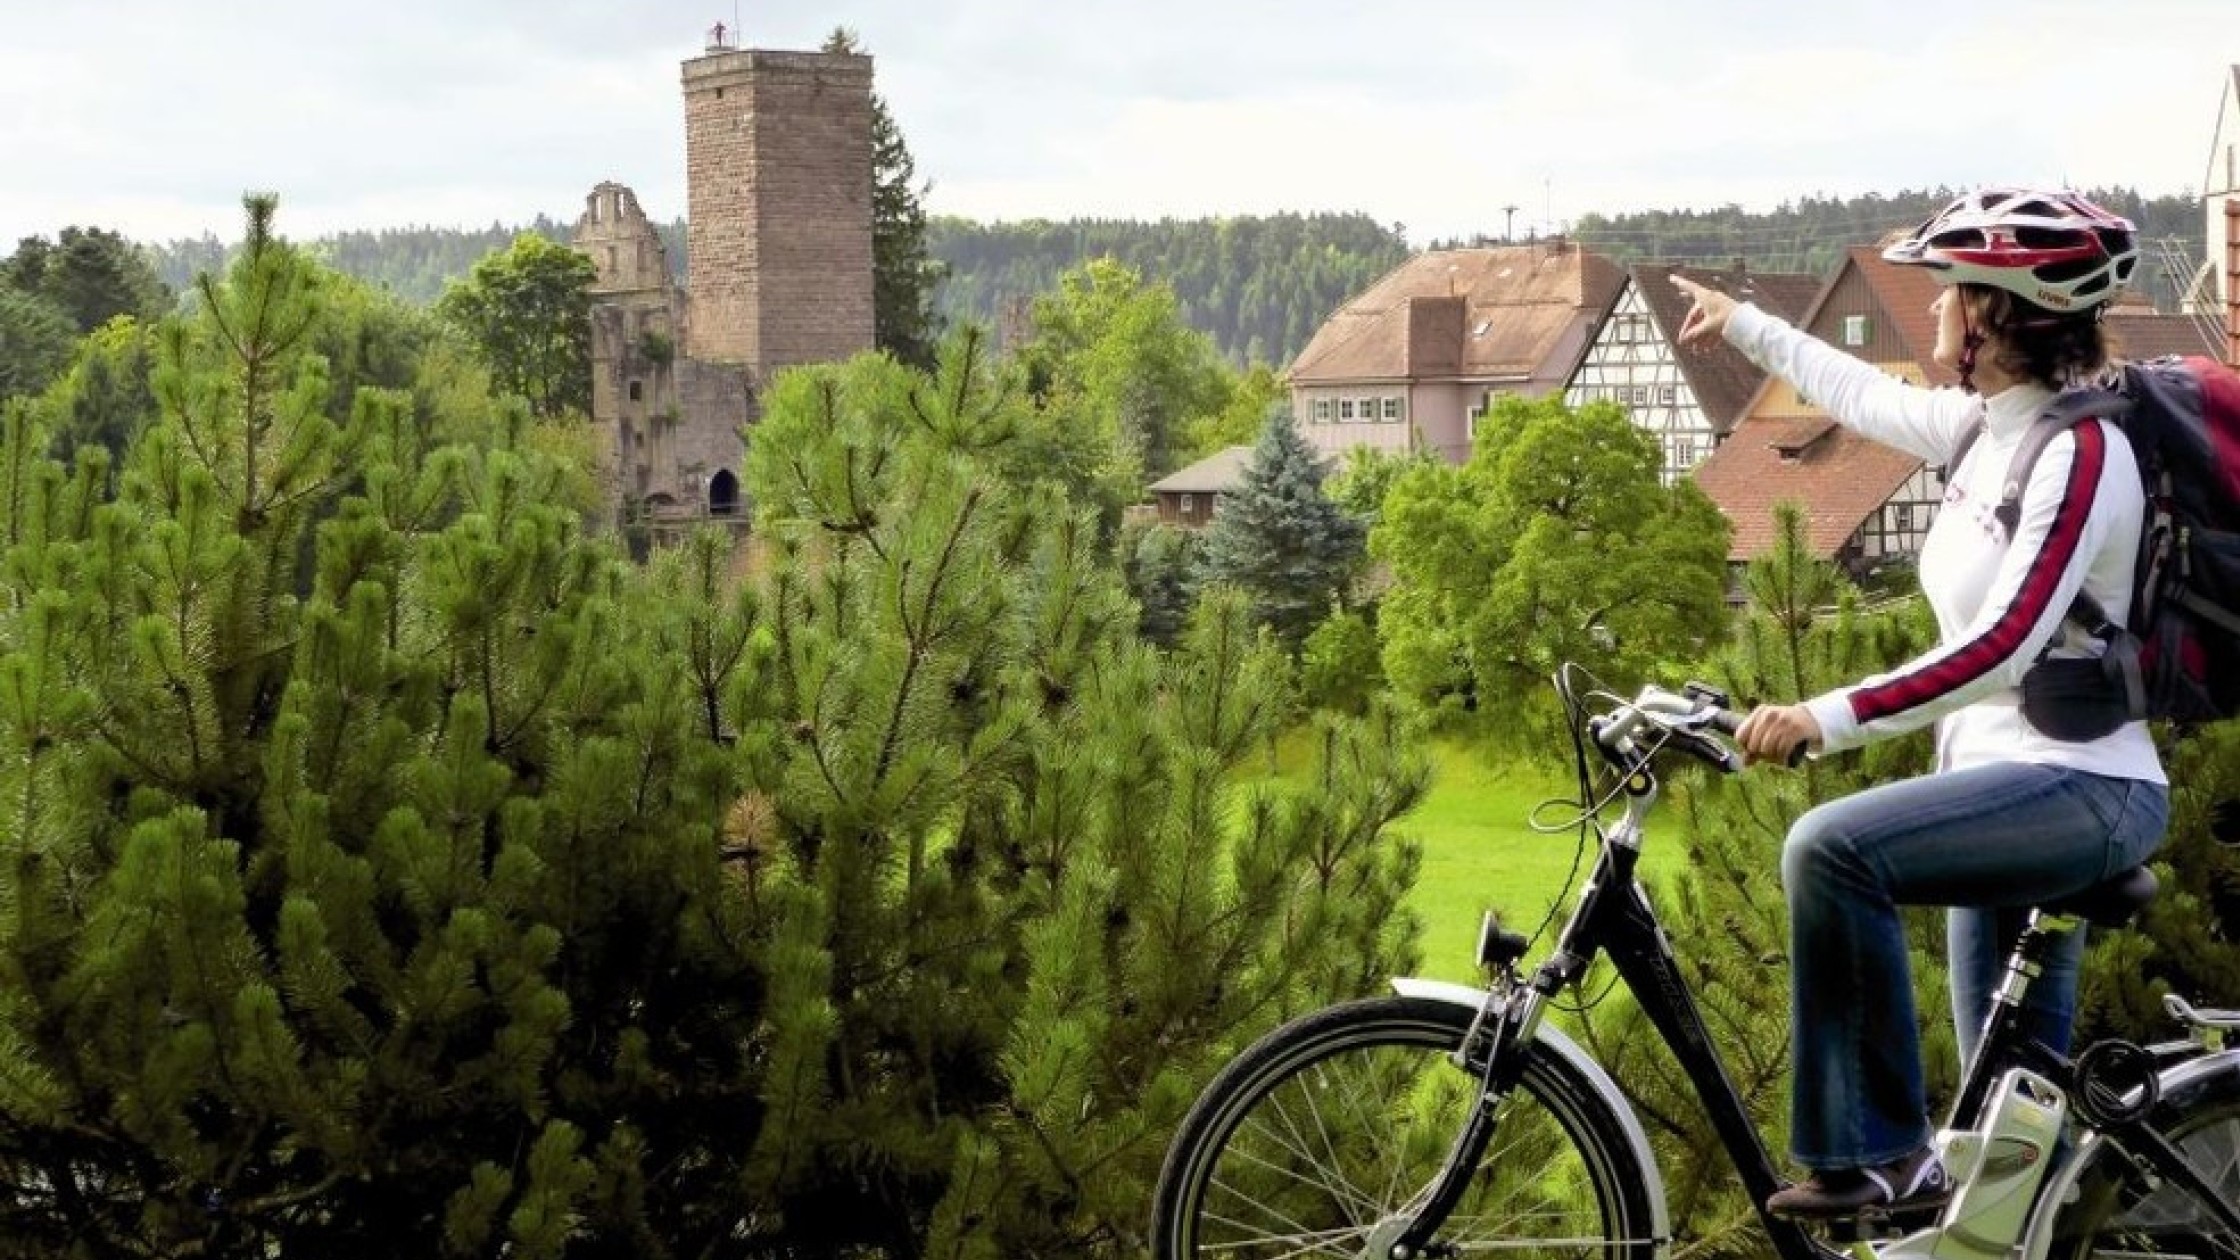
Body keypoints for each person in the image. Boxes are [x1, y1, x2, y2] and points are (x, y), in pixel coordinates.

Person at [1671, 187, 2169, 1219]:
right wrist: (1743, 321)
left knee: (1827, 849)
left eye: (1947, 297)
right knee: (2004, 1148)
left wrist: (1826, 714)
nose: (1931, 313)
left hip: (2081, 788)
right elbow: (1855, 392)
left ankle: (1875, 1152)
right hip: (2001, 788)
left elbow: (2002, 646)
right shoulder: (1980, 431)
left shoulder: (2081, 454)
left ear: (1992, 318)